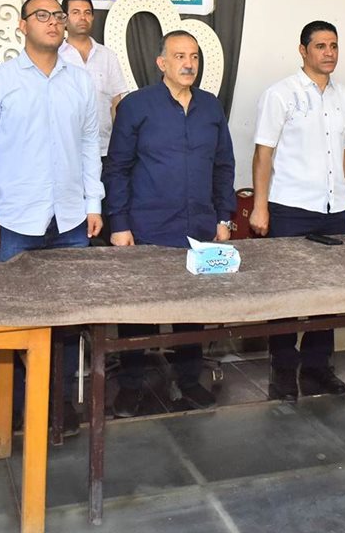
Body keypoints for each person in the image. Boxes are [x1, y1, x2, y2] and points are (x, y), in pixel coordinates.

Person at [0, 0, 102, 437]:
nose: (52, 21)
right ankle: (15, 409)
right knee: (16, 319)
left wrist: (93, 203)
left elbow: (89, 145)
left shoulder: (80, 81)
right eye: (41, 15)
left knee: (66, 321)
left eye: (58, 15)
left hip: (70, 220)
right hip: (13, 221)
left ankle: (57, 408)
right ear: (22, 25)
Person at [104, 30, 236, 416]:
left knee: (190, 312)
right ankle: (131, 385)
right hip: (147, 228)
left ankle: (189, 380)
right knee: (138, 312)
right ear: (162, 63)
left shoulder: (210, 107)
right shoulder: (137, 106)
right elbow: (117, 168)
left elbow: (223, 165)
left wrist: (223, 217)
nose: (188, 64)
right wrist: (119, 223)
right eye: (179, 56)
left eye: (194, 56)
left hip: (199, 228)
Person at [250, 21, 345, 401]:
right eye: (320, 46)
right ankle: (282, 367)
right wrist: (260, 207)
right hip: (290, 208)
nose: (329, 53)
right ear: (303, 50)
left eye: (334, 45)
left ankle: (317, 366)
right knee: (286, 290)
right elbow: (263, 153)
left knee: (329, 292)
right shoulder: (281, 94)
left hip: (333, 208)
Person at [57, 0, 128, 160]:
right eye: (76, 12)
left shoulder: (108, 56)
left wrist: (121, 146)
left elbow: (116, 104)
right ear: (64, 19)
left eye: (87, 13)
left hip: (103, 150)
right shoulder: (54, 56)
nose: (83, 17)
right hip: (63, 150)